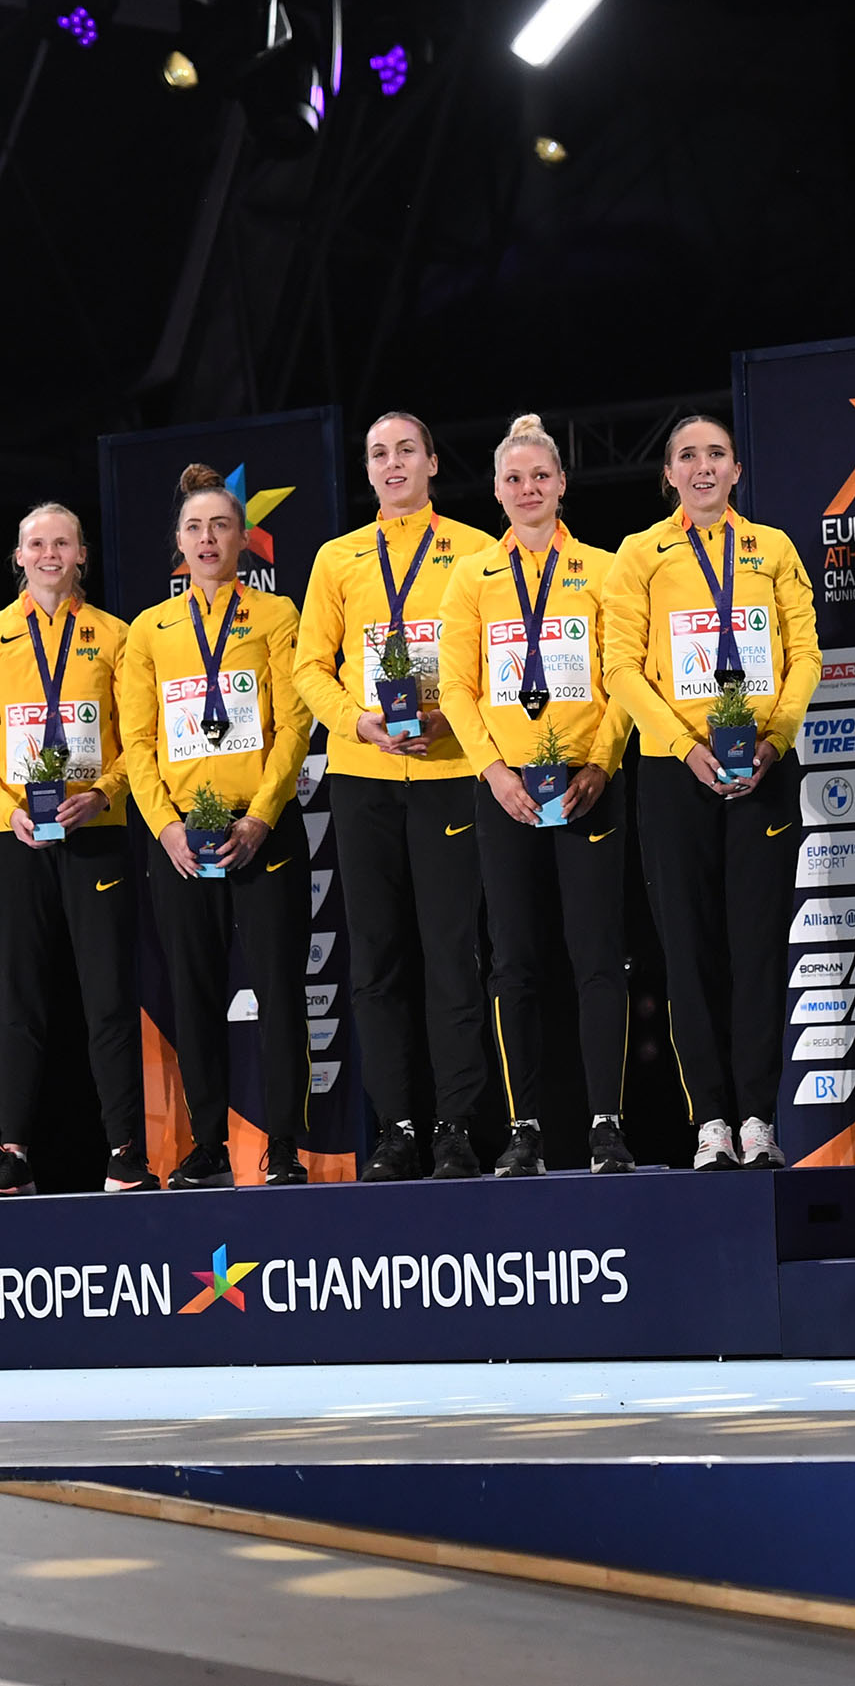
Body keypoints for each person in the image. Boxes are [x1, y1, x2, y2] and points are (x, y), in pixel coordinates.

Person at [602, 413, 820, 1172]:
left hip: (762, 763)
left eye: (717, 454)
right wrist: (684, 747)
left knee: (758, 947)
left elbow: (804, 654)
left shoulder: (772, 548)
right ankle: (711, 1122)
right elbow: (620, 666)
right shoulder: (639, 554)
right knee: (688, 952)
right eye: (687, 456)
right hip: (675, 773)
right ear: (668, 474)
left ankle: (758, 1118)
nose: (703, 467)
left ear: (735, 470)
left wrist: (775, 740)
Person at [294, 413, 496, 1180]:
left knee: (451, 955)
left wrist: (451, 716)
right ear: (368, 469)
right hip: (363, 775)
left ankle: (454, 1127)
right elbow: (310, 666)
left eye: (406, 449)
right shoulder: (337, 556)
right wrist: (358, 722)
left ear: (432, 462)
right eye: (378, 453)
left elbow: (492, 652)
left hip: (449, 771)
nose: (392, 463)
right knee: (375, 960)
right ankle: (395, 1127)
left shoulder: (476, 549)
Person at [435, 415, 636, 1178]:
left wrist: (602, 763)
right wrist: (493, 772)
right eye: (514, 478)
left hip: (587, 784)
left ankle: (606, 1125)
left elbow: (622, 672)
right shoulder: (471, 577)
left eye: (540, 476)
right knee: (512, 963)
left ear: (561, 483)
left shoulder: (604, 570)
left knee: (597, 958)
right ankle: (523, 1129)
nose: (528, 489)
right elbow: (455, 687)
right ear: (495, 490)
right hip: (506, 792)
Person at [118, 467, 314, 1188]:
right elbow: (137, 741)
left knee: (279, 990)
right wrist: (166, 828)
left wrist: (262, 815)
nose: (207, 539)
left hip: (261, 831)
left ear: (244, 539)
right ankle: (207, 1145)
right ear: (178, 541)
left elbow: (294, 723)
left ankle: (284, 1144)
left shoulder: (277, 615)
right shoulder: (149, 629)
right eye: (194, 528)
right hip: (179, 843)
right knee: (194, 992)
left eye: (221, 526)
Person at [0, 503, 146, 1195]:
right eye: (36, 543)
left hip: (96, 831)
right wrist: (8, 811)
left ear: (82, 554)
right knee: (17, 999)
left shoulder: (116, 635)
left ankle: (125, 1151)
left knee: (109, 996)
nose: (49, 554)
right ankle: (13, 1154)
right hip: (14, 838)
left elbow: (137, 739)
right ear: (18, 556)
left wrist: (103, 794)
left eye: (62, 542)